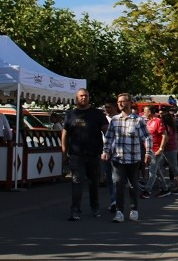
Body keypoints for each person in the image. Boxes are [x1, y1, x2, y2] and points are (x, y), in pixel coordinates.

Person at [102, 93, 151, 223]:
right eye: (119, 102)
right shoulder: (115, 120)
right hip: (118, 159)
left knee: (133, 185)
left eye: (123, 101)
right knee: (118, 184)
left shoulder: (138, 120)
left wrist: (148, 153)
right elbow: (109, 137)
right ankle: (119, 211)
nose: (120, 104)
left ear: (129, 103)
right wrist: (106, 151)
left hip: (134, 159)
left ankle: (134, 209)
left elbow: (147, 137)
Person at [62, 88, 108, 220]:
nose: (84, 98)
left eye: (86, 96)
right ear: (76, 98)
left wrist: (108, 149)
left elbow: (106, 131)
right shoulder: (71, 114)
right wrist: (64, 153)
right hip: (76, 155)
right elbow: (65, 134)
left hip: (94, 154)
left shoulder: (97, 114)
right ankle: (75, 210)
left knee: (94, 183)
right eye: (81, 96)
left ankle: (95, 208)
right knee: (76, 182)